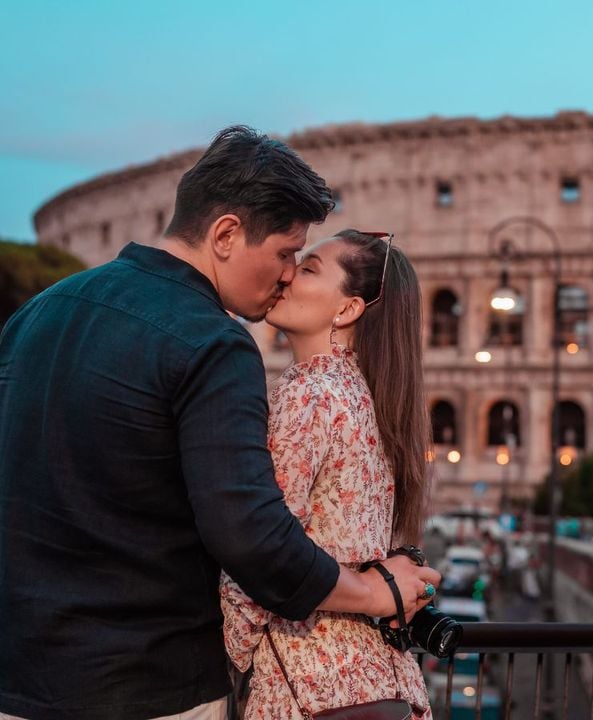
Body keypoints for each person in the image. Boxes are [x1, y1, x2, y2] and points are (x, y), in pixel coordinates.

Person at [0, 127, 439, 720]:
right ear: (227, 235)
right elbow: (252, 538)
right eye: (287, 254)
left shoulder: (34, 315)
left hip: (22, 683)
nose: (286, 274)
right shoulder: (214, 342)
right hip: (152, 688)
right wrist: (373, 591)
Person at [221, 230, 434, 718]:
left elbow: (262, 547)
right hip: (382, 679)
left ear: (347, 309)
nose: (290, 273)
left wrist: (229, 655)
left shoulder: (310, 394)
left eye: (311, 268)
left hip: (306, 679)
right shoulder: (371, 396)